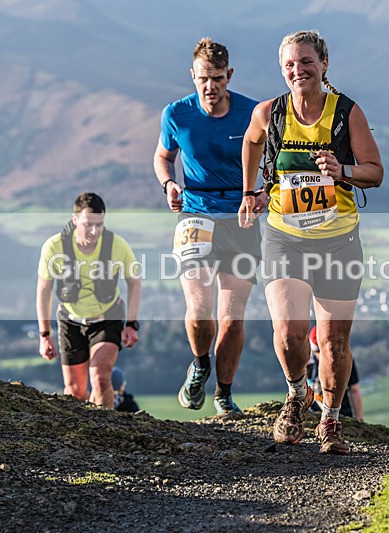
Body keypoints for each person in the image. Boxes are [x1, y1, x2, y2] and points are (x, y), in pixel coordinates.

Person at [239, 30, 383, 454]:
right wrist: (249, 192)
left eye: (306, 62)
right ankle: (297, 393)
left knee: (334, 342)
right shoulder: (269, 113)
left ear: (323, 64)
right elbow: (251, 141)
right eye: (289, 64)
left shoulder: (347, 113)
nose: (298, 70)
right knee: (289, 332)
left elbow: (375, 172)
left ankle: (331, 420)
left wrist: (342, 171)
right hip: (285, 237)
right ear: (281, 69)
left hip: (339, 241)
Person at [154, 37, 265, 416]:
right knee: (201, 311)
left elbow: (275, 161)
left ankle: (223, 393)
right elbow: (163, 156)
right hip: (195, 215)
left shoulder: (252, 112)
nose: (210, 86)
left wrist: (264, 193)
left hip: (240, 218)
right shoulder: (176, 114)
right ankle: (200, 363)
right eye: (203, 78)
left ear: (229, 75)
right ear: (193, 75)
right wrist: (169, 184)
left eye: (217, 78)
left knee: (231, 321)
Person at [36, 192, 141, 409]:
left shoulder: (117, 245)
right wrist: (44, 335)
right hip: (70, 320)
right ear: (75, 220)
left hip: (107, 318)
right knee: (75, 391)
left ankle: (106, 429)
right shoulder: (54, 247)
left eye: (99, 225)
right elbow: (44, 291)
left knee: (100, 378)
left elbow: (135, 283)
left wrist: (131, 324)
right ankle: (80, 429)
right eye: (88, 225)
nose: (94, 231)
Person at [308, 325, 363, 420]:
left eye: (323, 352)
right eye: (317, 352)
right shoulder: (307, 363)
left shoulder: (344, 361)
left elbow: (354, 389)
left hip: (342, 415)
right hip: (316, 414)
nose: (320, 356)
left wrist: (359, 419)